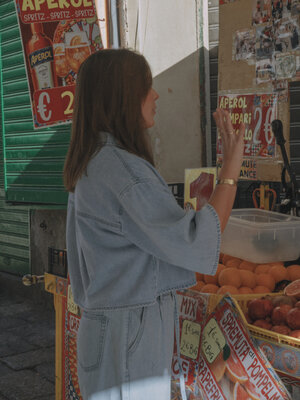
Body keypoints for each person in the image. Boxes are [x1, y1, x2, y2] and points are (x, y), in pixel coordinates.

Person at [63, 48, 244, 400]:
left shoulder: (97, 161)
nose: (156, 94)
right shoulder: (120, 170)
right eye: (147, 86)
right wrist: (231, 169)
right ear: (123, 97)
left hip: (113, 333)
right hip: (126, 338)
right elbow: (197, 240)